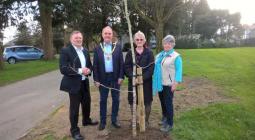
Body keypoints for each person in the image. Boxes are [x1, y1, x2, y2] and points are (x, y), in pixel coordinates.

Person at [59, 31, 98, 140]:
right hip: (73, 84)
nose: (78, 40)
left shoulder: (85, 50)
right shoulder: (66, 51)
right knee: (74, 108)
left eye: (80, 38)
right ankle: (74, 130)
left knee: (87, 103)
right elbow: (63, 68)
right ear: (71, 39)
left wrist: (89, 70)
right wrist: (81, 70)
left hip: (84, 82)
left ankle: (86, 120)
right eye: (76, 38)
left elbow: (89, 65)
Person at [93, 26, 124, 131]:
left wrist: (121, 76)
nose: (107, 35)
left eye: (109, 33)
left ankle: (114, 120)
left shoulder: (118, 47)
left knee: (116, 99)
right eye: (105, 33)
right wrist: (96, 79)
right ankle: (103, 121)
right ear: (102, 35)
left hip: (115, 78)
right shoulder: (98, 48)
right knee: (103, 100)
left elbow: (121, 63)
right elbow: (95, 65)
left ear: (112, 35)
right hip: (102, 78)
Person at [153, 35, 182, 132]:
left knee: (168, 103)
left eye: (169, 43)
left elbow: (179, 70)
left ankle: (170, 123)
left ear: (173, 44)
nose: (167, 45)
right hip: (160, 83)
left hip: (169, 84)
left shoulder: (176, 56)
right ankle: (165, 118)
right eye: (165, 43)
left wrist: (176, 82)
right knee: (162, 102)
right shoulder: (160, 55)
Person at [124, 31, 154, 127]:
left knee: (147, 102)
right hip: (133, 82)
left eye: (141, 39)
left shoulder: (149, 53)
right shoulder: (130, 53)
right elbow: (127, 67)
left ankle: (146, 120)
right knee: (133, 102)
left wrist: (141, 79)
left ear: (144, 40)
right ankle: (134, 120)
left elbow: (151, 68)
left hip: (146, 83)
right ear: (134, 41)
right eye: (137, 39)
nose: (139, 41)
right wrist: (133, 78)